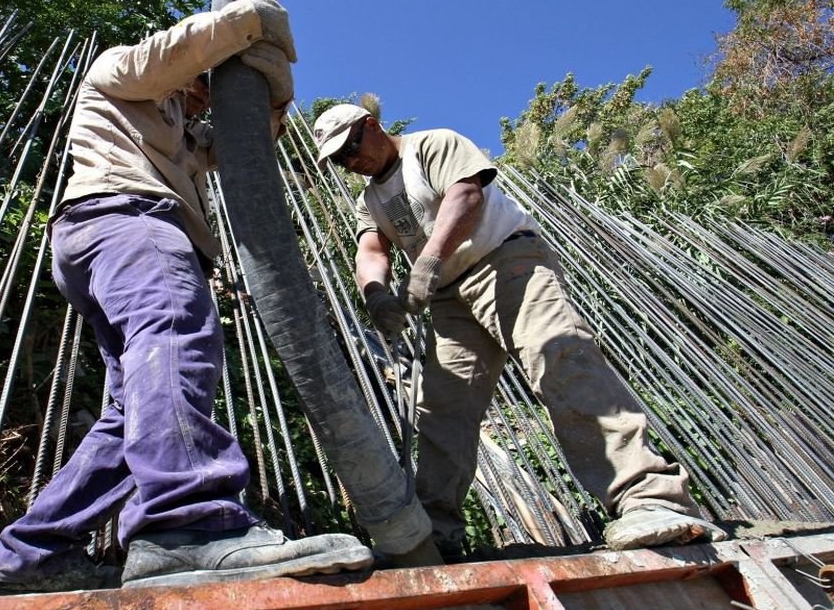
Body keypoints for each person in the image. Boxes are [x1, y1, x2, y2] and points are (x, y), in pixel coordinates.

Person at [0, 0, 373, 596]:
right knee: (174, 337)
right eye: (205, 78)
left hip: (103, 238)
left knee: (129, 410)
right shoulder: (121, 71)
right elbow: (174, 52)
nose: (206, 90)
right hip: (127, 218)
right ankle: (188, 524)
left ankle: (33, 553)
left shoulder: (184, 134)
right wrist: (252, 21)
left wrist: (274, 94)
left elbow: (250, 145)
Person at [312, 103, 727, 560]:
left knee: (561, 360)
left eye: (350, 148)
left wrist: (427, 261)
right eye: (339, 160)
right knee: (443, 410)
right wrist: (376, 295)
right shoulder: (370, 199)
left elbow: (465, 197)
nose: (351, 162)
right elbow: (372, 249)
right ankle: (435, 538)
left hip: (507, 263)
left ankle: (651, 498)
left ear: (370, 126)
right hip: (449, 298)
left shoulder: (431, 144)